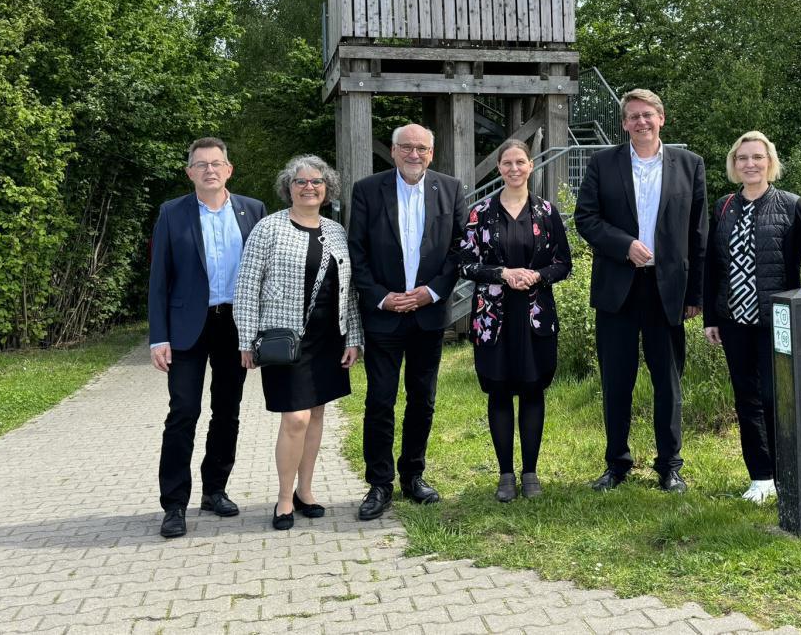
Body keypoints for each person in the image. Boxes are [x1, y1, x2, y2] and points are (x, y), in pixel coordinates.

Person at [574, 89, 708, 493]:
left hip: (667, 290)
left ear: (661, 118)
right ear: (624, 124)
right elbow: (586, 218)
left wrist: (695, 295)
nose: (641, 122)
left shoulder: (689, 164)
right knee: (617, 382)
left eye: (647, 114)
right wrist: (624, 245)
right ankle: (617, 464)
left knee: (668, 383)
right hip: (618, 287)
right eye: (633, 116)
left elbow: (699, 234)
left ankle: (670, 466)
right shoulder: (603, 163)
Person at [234, 155, 362, 530]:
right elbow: (247, 285)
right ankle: (284, 498)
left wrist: (353, 337)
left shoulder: (336, 231)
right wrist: (246, 339)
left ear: (327, 188)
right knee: (295, 418)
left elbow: (349, 291)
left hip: (328, 337)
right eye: (300, 181)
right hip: (284, 340)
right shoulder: (268, 228)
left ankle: (306, 491)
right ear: (288, 188)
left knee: (317, 415)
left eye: (316, 181)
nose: (309, 187)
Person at [702, 132, 801, 503]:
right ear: (734, 164)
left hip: (778, 322)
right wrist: (711, 316)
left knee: (778, 399)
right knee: (747, 399)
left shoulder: (791, 205)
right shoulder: (724, 206)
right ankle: (760, 477)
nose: (750, 164)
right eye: (742, 158)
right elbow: (712, 266)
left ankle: (787, 473)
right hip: (733, 322)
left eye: (757, 157)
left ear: (769, 162)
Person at [149, 137, 266, 539]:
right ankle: (174, 504)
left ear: (229, 170)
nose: (210, 170)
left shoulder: (253, 210)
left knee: (227, 411)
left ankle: (215, 490)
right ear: (190, 173)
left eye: (216, 163)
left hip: (235, 325)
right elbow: (159, 279)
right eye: (201, 165)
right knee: (183, 412)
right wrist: (158, 337)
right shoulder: (172, 213)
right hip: (187, 328)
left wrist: (259, 331)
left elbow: (264, 274)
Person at [347, 123, 465, 520]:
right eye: (407, 147)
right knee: (380, 400)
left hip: (428, 316)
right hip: (384, 316)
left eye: (422, 148)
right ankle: (379, 484)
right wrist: (382, 297)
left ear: (432, 152)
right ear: (394, 151)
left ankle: (413, 476)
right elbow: (357, 251)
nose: (414, 154)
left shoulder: (451, 189)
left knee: (422, 400)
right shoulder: (367, 190)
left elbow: (459, 249)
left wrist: (432, 291)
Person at [458, 140, 572, 501]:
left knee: (533, 390)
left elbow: (563, 263)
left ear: (531, 165)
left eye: (520, 162)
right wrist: (503, 273)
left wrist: (536, 276)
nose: (514, 168)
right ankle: (506, 474)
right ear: (498, 168)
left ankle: (530, 473)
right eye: (507, 163)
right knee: (499, 391)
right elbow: (465, 264)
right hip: (493, 319)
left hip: (535, 316)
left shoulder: (546, 211)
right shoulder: (480, 213)